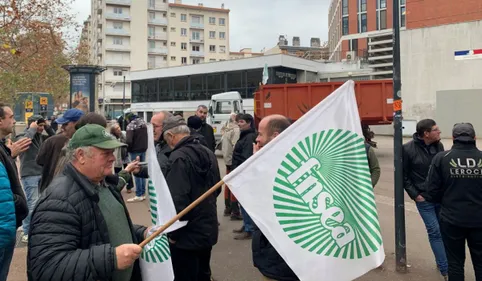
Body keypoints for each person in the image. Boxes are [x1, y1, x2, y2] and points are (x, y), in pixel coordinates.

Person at [27, 124, 148, 281]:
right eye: (106, 153)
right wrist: (111, 259)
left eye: (112, 152)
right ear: (81, 155)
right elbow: (48, 267)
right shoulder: (59, 200)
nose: (112, 158)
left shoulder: (104, 185)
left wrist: (141, 233)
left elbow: (105, 226)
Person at [162, 115, 220, 281]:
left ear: (171, 136)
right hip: (207, 228)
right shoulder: (208, 152)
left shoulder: (178, 158)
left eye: (167, 140)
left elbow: (178, 200)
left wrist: (173, 234)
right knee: (203, 273)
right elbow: (217, 188)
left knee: (185, 275)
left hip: (185, 236)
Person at [424, 123, 482, 281]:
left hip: (452, 219)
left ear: (454, 138)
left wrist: (446, 199)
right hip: (479, 220)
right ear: (474, 138)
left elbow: (431, 192)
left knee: (455, 263)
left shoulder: (442, 158)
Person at [251, 114, 299, 281]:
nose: (257, 139)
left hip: (280, 258)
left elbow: (259, 202)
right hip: (282, 256)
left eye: (260, 134)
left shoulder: (278, 168)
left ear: (275, 136)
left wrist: (257, 165)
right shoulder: (299, 158)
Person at [403, 119, 448, 278]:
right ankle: (445, 269)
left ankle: (441, 260)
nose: (439, 132)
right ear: (426, 134)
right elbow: (404, 176)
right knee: (434, 231)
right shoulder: (407, 149)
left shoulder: (439, 146)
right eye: (436, 130)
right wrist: (416, 195)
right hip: (424, 200)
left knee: (444, 231)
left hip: (440, 198)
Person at [15, 115, 55, 243]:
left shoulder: (42, 137)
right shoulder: (21, 136)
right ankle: (26, 232)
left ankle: (40, 229)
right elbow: (26, 141)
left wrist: (48, 127)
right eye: (40, 125)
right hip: (29, 174)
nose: (41, 128)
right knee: (32, 204)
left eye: (43, 126)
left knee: (43, 202)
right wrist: (32, 129)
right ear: (32, 124)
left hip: (42, 173)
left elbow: (54, 138)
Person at [0, 104, 28, 281]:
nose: (14, 120)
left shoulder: (3, 147)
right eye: (10, 116)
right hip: (4, 230)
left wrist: (10, 154)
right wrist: (17, 200)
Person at [36, 108, 84, 192]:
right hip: (53, 191)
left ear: (77, 123)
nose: (62, 128)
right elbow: (39, 160)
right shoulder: (53, 140)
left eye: (65, 124)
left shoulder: (88, 146)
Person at [232, 113, 257, 240]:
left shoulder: (249, 137)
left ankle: (249, 228)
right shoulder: (245, 136)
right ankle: (246, 225)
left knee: (245, 202)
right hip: (241, 173)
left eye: (241, 122)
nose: (239, 124)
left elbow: (246, 158)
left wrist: (239, 172)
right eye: (238, 122)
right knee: (243, 203)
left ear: (248, 123)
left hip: (244, 174)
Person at [221, 113, 241, 218]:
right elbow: (235, 146)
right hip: (233, 161)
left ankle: (227, 207)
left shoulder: (226, 129)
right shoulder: (236, 130)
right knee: (234, 184)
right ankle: (235, 210)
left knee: (228, 184)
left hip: (227, 160)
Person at [125, 113, 148, 202]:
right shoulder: (143, 123)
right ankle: (143, 193)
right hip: (143, 149)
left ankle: (138, 194)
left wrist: (128, 149)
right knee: (142, 170)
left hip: (135, 151)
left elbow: (129, 140)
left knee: (137, 171)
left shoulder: (131, 125)